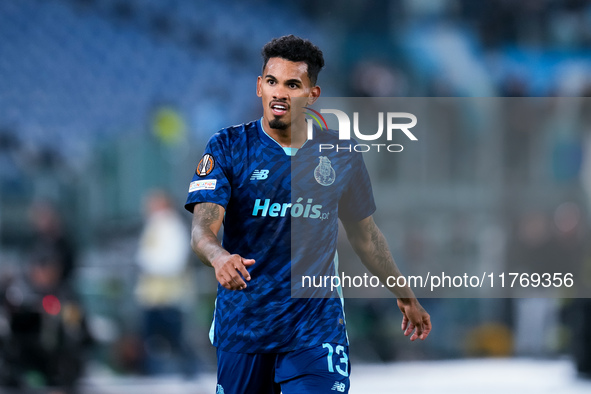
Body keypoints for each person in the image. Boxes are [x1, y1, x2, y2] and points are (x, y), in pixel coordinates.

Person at [185, 35, 431, 393]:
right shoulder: (227, 147)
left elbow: (366, 236)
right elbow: (201, 231)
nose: (279, 93)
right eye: (271, 82)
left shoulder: (340, 154)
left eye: (292, 84)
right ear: (259, 87)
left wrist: (404, 292)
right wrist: (219, 256)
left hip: (315, 330)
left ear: (312, 94)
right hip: (245, 327)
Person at [135, 189, 194, 376]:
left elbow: (173, 260)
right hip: (153, 295)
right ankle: (156, 373)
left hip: (169, 295)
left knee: (173, 338)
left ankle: (189, 372)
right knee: (153, 339)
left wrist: (149, 263)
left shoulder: (170, 225)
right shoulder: (155, 225)